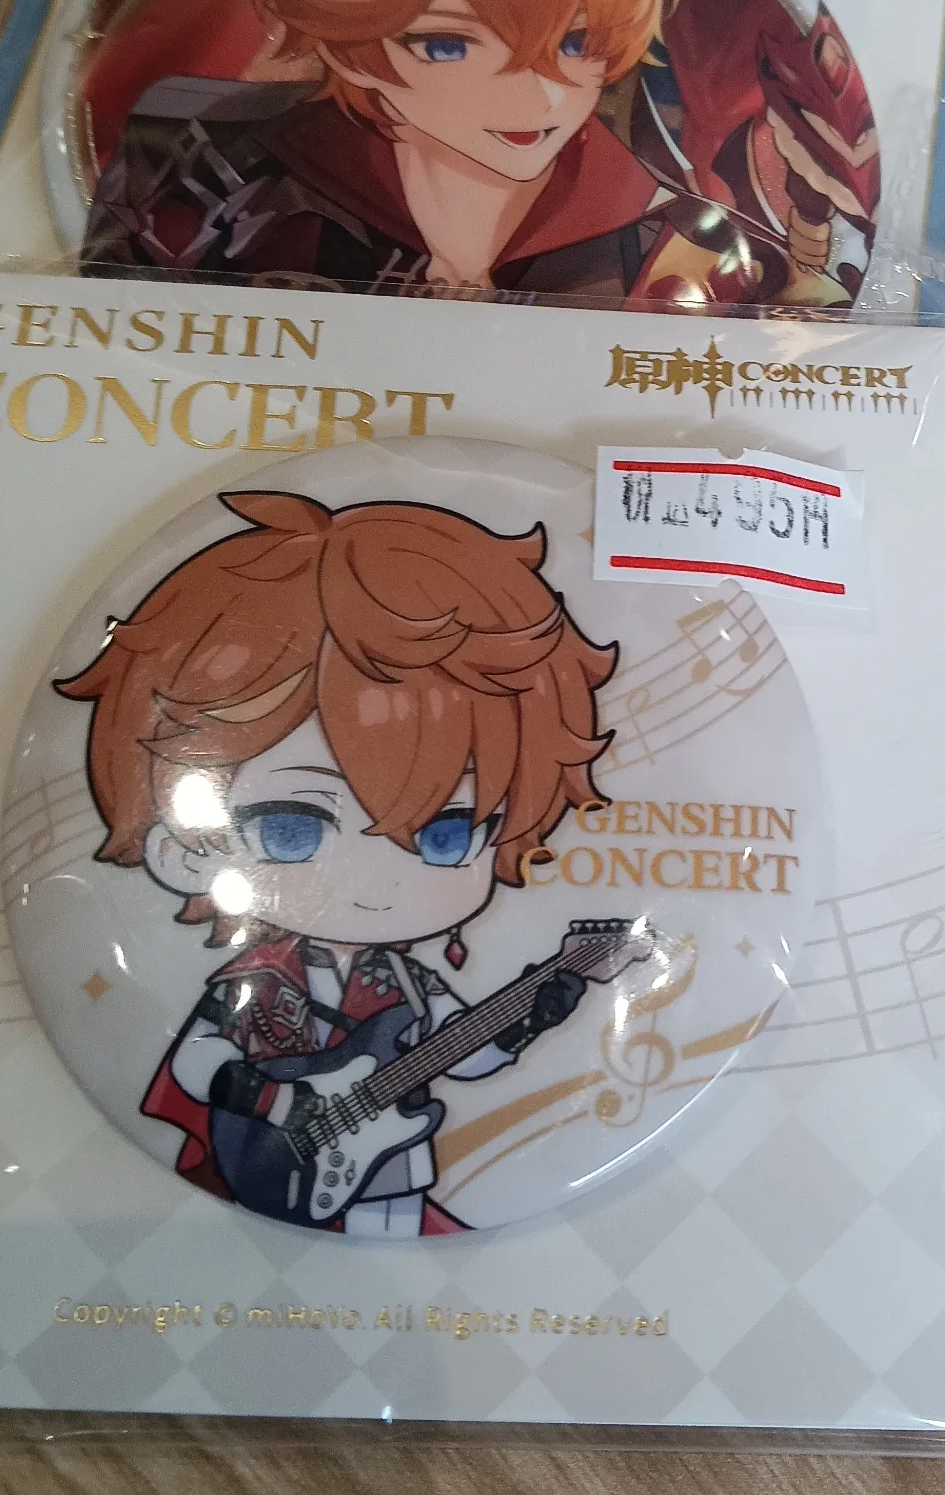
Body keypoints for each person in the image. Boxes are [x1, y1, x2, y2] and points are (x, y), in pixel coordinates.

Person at [57, 489, 635, 1235]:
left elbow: (463, 1057)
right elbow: (197, 1063)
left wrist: (538, 1010)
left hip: (394, 1178)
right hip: (274, 1168)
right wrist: (280, 1103)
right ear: (184, 849)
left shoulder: (406, 984)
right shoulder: (260, 980)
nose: (377, 878)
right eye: (292, 828)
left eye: (444, 833)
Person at [79, 0, 879, 307]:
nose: (539, 98)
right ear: (346, 48)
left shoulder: (685, 244)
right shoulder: (197, 160)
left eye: (575, 44)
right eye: (447, 45)